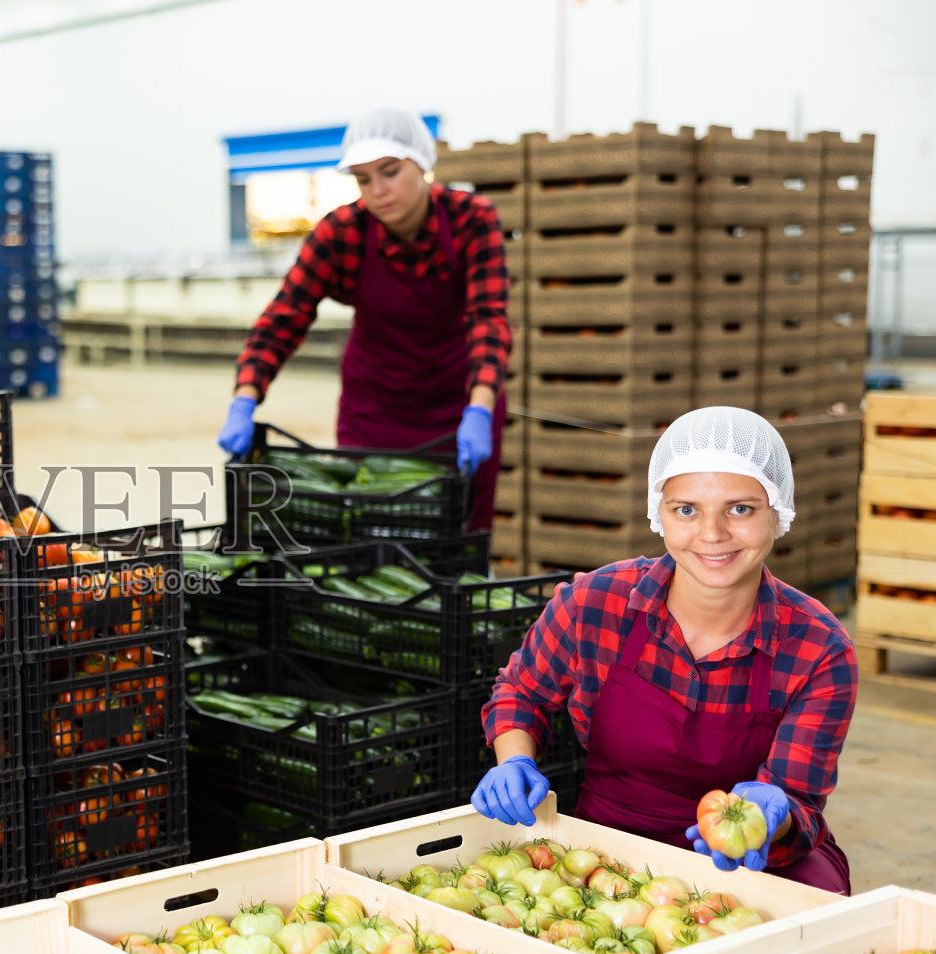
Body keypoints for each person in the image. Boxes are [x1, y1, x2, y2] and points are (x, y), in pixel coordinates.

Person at [470, 407, 855, 895]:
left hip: (746, 858)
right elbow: (521, 691)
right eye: (687, 509)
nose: (712, 534)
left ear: (778, 512)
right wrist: (514, 761)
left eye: (740, 508)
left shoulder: (819, 649)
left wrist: (773, 816)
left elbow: (798, 802)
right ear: (660, 514)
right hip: (608, 844)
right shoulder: (596, 602)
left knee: (819, 902)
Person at [217, 107, 512, 531]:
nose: (378, 190)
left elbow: (489, 319)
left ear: (422, 163)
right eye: (363, 179)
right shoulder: (340, 233)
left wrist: (480, 410)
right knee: (368, 532)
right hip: (375, 411)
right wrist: (244, 398)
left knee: (459, 536)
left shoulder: (471, 219)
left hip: (459, 411)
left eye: (389, 171)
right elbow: (284, 318)